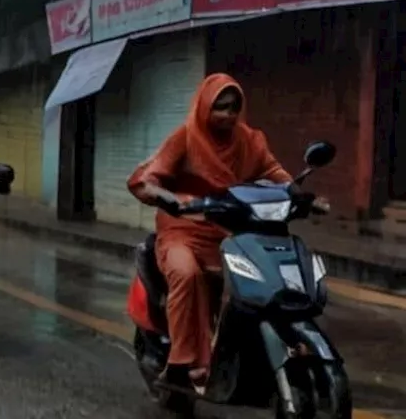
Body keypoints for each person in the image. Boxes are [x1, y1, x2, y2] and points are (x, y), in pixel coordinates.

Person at [127, 72, 297, 389]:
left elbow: (273, 170)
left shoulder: (250, 140)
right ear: (205, 106)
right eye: (220, 107)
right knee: (187, 272)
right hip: (182, 230)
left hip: (228, 232)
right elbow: (148, 179)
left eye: (233, 108)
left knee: (255, 281)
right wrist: (170, 199)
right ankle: (182, 362)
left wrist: (294, 190)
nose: (228, 115)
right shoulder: (186, 138)